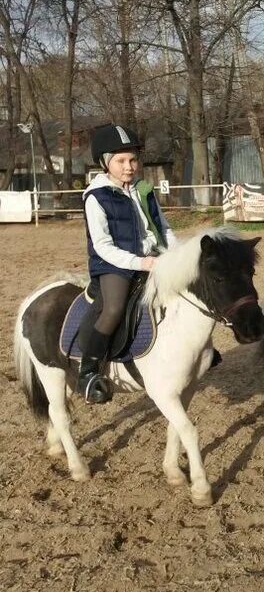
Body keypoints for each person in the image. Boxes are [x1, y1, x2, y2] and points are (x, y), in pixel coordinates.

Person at [78, 124, 177, 404]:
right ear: (105, 163)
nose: (129, 166)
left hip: (152, 257)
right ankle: (88, 371)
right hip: (114, 265)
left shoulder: (144, 190)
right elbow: (103, 246)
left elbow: (163, 228)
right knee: (114, 308)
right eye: (121, 161)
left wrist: (178, 255)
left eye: (133, 159)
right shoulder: (96, 196)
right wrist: (139, 262)